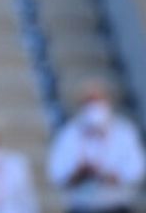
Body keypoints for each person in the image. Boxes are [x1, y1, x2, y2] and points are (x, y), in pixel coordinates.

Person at [47, 79, 146, 213]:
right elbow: (57, 172)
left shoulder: (124, 131)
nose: (94, 107)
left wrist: (112, 176)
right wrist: (79, 174)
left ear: (108, 102)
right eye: (89, 102)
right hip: (82, 206)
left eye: (98, 101)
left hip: (117, 205)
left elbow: (136, 169)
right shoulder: (69, 134)